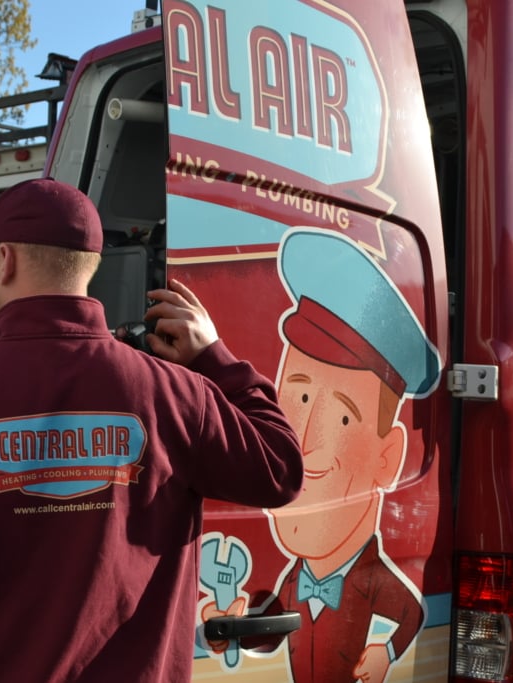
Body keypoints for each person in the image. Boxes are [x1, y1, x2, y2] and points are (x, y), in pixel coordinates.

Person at [0, 178, 304, 683]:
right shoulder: (179, 394)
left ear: (5, 259)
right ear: (89, 266)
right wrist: (213, 358)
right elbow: (280, 470)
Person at [202, 228, 442, 683]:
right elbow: (270, 627)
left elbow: (409, 610)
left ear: (387, 460)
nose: (305, 442)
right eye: (298, 400)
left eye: (344, 420)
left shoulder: (375, 580)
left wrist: (385, 651)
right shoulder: (295, 579)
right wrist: (228, 629)